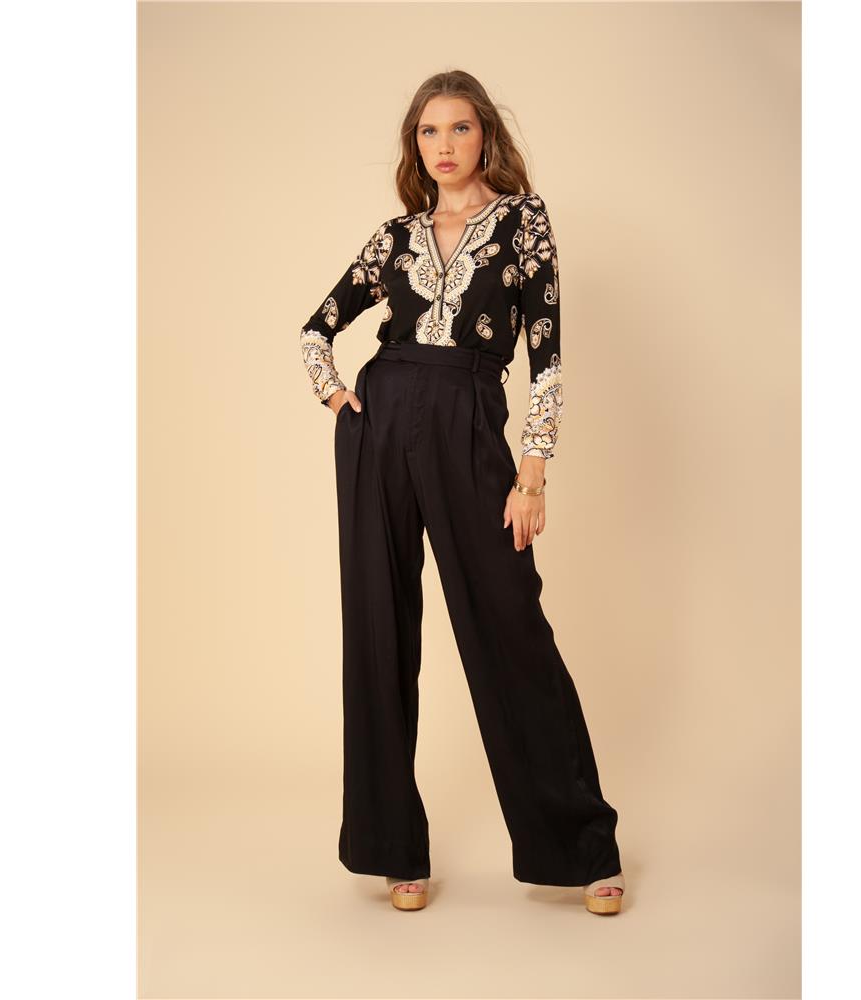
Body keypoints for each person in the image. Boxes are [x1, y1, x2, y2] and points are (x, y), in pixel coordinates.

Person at [297, 70, 626, 915]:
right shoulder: (395, 237)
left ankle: (581, 848)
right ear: (415, 146)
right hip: (380, 427)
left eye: (459, 128)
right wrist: (339, 400)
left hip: (469, 423)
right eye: (428, 132)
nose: (443, 146)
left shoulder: (523, 222)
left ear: (486, 137)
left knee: (510, 626)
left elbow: (547, 354)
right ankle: (393, 849)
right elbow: (316, 330)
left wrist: (532, 470)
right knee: (378, 628)